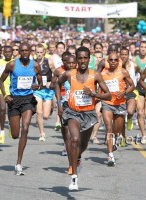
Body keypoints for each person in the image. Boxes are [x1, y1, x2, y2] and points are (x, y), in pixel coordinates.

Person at [55, 46, 111, 190]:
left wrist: (94, 94)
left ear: (89, 58)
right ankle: (74, 177)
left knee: (83, 145)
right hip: (72, 112)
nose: (82, 61)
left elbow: (108, 95)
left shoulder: (95, 75)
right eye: (80, 58)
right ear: (77, 59)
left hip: (89, 114)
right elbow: (57, 84)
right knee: (74, 139)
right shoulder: (69, 74)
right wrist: (60, 106)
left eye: (85, 58)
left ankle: (77, 156)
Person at [0, 42, 42, 175]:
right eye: (22, 50)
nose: (24, 53)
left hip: (28, 99)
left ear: (30, 51)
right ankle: (13, 128)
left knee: (25, 128)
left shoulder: (35, 65)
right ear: (19, 52)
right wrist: (5, 95)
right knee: (15, 134)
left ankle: (18, 163)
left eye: (26, 50)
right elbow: (0, 81)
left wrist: (37, 86)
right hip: (14, 100)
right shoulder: (12, 64)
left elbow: (40, 82)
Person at [101, 52, 134, 166]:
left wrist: (124, 92)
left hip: (120, 104)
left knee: (117, 130)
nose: (113, 62)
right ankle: (110, 155)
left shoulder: (123, 72)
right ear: (108, 61)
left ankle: (113, 140)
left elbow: (132, 86)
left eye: (116, 60)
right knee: (109, 128)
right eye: (111, 60)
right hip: (107, 103)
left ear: (118, 61)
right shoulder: (103, 73)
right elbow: (97, 85)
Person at [52, 54, 77, 175]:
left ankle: (76, 159)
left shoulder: (82, 75)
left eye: (73, 63)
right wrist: (59, 104)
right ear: (65, 63)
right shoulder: (63, 75)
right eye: (69, 63)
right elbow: (55, 85)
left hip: (79, 109)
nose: (71, 65)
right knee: (67, 137)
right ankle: (71, 165)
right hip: (66, 107)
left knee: (76, 139)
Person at [33, 43, 55, 141]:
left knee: (45, 116)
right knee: (39, 112)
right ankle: (42, 133)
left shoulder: (49, 61)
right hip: (38, 90)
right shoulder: (32, 63)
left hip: (48, 90)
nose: (39, 54)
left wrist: (51, 82)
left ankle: (49, 110)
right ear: (35, 52)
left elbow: (56, 73)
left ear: (44, 52)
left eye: (41, 52)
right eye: (37, 52)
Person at [0, 45, 13, 144]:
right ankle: (2, 132)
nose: (7, 53)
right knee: (2, 108)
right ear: (3, 53)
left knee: (11, 110)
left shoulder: (15, 62)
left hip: (12, 89)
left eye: (9, 52)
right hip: (1, 88)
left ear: (12, 52)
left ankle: (10, 125)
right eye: (6, 52)